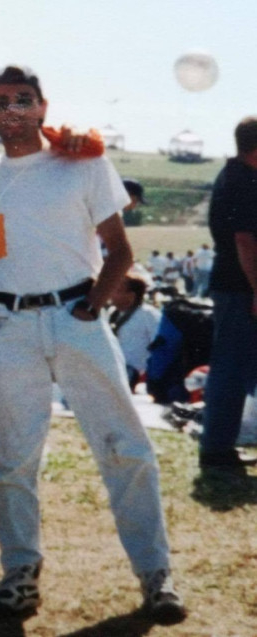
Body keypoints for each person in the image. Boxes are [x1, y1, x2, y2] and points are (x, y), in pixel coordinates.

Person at [0, 65, 186, 624]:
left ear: (43, 107)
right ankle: (19, 573)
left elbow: (120, 250)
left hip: (75, 316)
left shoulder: (84, 163)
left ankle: (155, 573)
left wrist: (91, 308)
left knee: (124, 445)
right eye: (0, 102)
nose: (12, 110)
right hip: (9, 323)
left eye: (24, 99)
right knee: (9, 456)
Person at [198, 117, 257, 476]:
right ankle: (217, 451)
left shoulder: (234, 176)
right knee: (231, 368)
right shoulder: (244, 181)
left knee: (235, 366)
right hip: (239, 288)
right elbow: (245, 241)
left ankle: (220, 447)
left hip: (235, 285)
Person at [109, 273, 162, 391]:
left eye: (117, 290)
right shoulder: (113, 313)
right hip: (115, 369)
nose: (111, 293)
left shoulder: (148, 314)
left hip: (136, 374)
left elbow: (159, 346)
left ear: (131, 296)